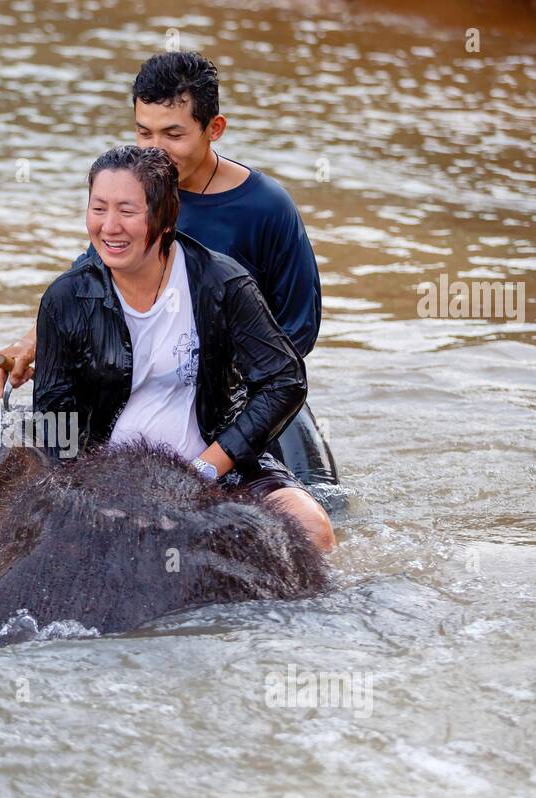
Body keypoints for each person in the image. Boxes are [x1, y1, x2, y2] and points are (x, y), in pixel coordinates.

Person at [0, 51, 326, 477]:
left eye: (173, 134)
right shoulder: (130, 201)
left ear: (214, 129)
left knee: (317, 509)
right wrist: (30, 342)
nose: (156, 150)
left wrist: (218, 384)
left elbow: (299, 327)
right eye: (144, 133)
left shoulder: (268, 208)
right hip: (144, 380)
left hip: (236, 393)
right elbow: (92, 282)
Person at [30, 145, 334, 552]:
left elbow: (285, 380)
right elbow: (52, 423)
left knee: (314, 528)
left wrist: (211, 466)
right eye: (98, 209)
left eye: (127, 210)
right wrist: (84, 493)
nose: (109, 227)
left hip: (219, 469)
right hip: (112, 476)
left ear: (165, 217)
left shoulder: (222, 283)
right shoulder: (66, 299)